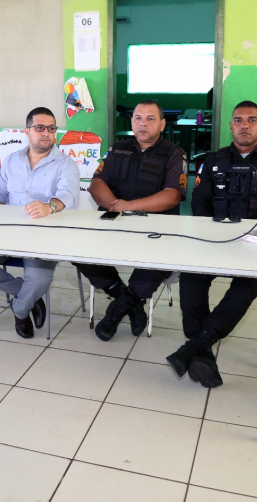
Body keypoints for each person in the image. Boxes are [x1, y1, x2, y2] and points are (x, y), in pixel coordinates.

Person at [166, 101, 257, 388]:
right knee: (191, 277)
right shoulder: (213, 160)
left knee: (248, 283)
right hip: (217, 239)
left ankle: (197, 344)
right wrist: (219, 233)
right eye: (238, 120)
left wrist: (250, 234)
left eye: (252, 120)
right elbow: (199, 204)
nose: (244, 125)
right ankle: (202, 350)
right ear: (231, 125)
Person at [76, 100, 187, 341]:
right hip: (114, 220)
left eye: (150, 118)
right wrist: (115, 205)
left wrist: (128, 206)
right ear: (132, 121)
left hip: (156, 226)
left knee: (156, 262)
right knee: (80, 252)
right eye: (137, 118)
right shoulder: (118, 149)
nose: (143, 123)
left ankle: (117, 310)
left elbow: (172, 196)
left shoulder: (174, 154)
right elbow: (97, 183)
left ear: (162, 123)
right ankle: (130, 303)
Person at [0, 107, 79, 339]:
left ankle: (19, 309)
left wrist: (50, 206)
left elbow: (69, 195)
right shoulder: (11, 161)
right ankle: (28, 297)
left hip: (45, 236)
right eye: (39, 127)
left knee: (38, 279)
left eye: (51, 128)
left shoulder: (65, 164)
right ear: (27, 131)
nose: (45, 133)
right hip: (9, 234)